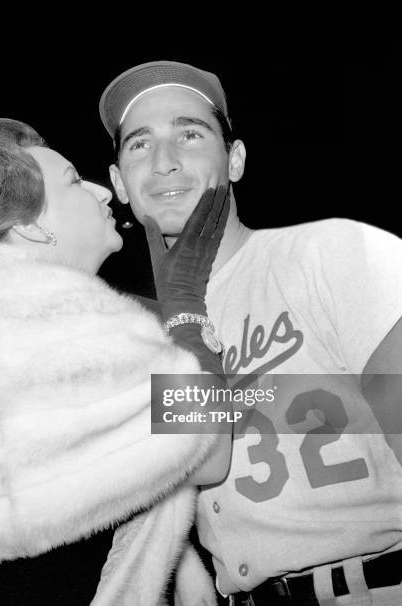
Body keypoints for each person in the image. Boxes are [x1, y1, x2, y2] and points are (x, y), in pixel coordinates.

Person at [0, 117, 233, 605]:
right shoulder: (60, 312)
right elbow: (207, 451)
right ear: (33, 226)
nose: (102, 192)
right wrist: (186, 307)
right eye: (74, 181)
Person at [99, 60, 402, 605]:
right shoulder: (139, 337)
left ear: (234, 160)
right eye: (139, 145)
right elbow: (198, 467)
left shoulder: (334, 252)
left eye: (189, 134)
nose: (165, 162)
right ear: (120, 183)